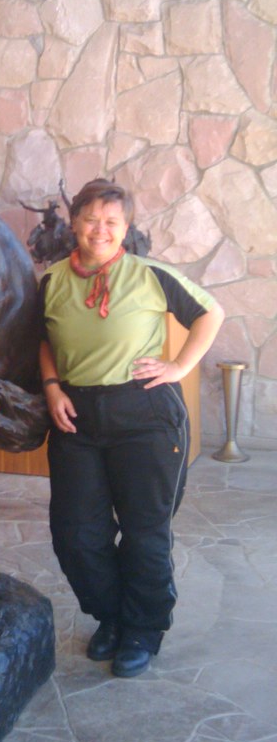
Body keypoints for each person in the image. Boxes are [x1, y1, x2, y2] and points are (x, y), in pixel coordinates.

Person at [37, 179, 224, 678]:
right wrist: (52, 386)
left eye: (111, 222)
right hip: (76, 418)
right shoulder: (51, 280)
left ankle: (142, 628)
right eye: (91, 219)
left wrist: (179, 366)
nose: (100, 230)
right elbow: (44, 337)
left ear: (125, 228)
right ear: (74, 223)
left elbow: (210, 313)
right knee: (76, 533)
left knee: (144, 532)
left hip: (145, 416)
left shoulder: (149, 274)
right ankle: (111, 615)